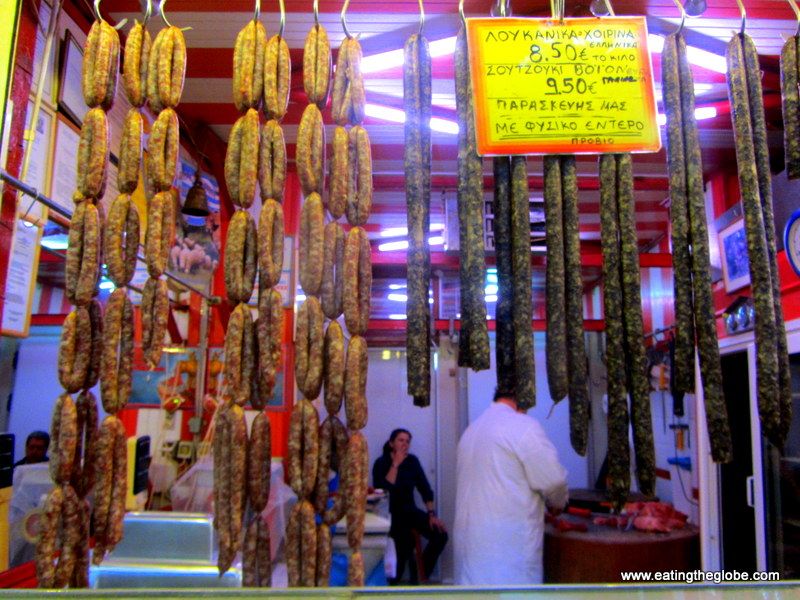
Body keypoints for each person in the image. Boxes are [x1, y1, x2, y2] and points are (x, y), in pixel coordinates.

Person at [454, 389, 569, 585]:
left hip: (471, 557)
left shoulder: (472, 429)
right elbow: (554, 481)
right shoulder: (522, 426)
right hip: (506, 561)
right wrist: (559, 503)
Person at [372, 428, 448, 584]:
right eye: (401, 440)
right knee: (404, 545)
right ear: (391, 443)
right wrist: (395, 464)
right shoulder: (381, 462)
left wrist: (432, 515)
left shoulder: (412, 461)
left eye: (407, 441)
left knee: (440, 535)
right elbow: (384, 491)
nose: (405, 444)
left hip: (410, 511)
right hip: (391, 514)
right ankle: (394, 584)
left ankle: (420, 572)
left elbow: (424, 489)